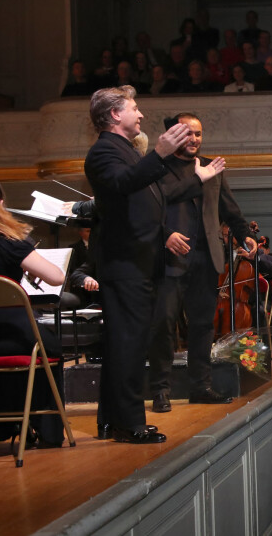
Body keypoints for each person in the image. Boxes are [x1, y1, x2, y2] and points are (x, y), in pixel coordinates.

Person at [84, 85, 196, 444]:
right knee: (129, 345)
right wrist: (160, 153)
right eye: (134, 108)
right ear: (115, 114)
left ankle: (109, 420)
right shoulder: (104, 151)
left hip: (138, 260)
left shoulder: (127, 151)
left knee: (125, 344)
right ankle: (129, 423)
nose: (141, 115)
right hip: (125, 262)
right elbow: (121, 185)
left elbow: (144, 199)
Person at [148, 112, 257, 410]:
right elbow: (151, 208)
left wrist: (245, 234)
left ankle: (201, 386)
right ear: (174, 135)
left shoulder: (213, 167)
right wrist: (165, 234)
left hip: (207, 256)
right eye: (188, 133)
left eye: (198, 133)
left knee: (202, 325)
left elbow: (229, 208)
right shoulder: (157, 167)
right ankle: (160, 390)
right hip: (170, 258)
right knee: (164, 324)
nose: (194, 139)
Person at [0, 183, 67, 447]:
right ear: (1, 203)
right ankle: (44, 429)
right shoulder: (10, 241)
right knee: (48, 345)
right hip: (14, 336)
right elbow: (55, 276)